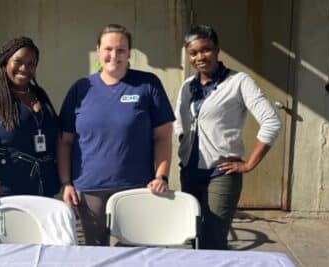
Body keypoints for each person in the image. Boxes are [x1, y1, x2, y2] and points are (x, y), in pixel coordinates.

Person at [58, 24, 175, 245]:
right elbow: (65, 141)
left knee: (134, 253)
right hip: (89, 190)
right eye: (108, 49)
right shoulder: (80, 88)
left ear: (129, 53)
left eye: (121, 50)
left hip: (136, 188)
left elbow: (163, 136)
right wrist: (66, 183)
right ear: (98, 51)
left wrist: (161, 176)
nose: (114, 55)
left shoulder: (147, 85)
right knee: (96, 252)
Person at [174, 25, 281, 250]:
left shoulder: (239, 82)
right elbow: (178, 122)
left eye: (206, 50)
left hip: (220, 173)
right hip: (190, 172)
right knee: (191, 235)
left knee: (213, 239)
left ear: (217, 50)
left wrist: (250, 163)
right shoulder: (187, 86)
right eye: (193, 53)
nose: (200, 57)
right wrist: (184, 144)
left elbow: (271, 122)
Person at [0, 36, 60, 204]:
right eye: (18, 61)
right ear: (6, 61)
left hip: (40, 187)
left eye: (31, 64)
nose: (24, 68)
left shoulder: (39, 94)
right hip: (3, 190)